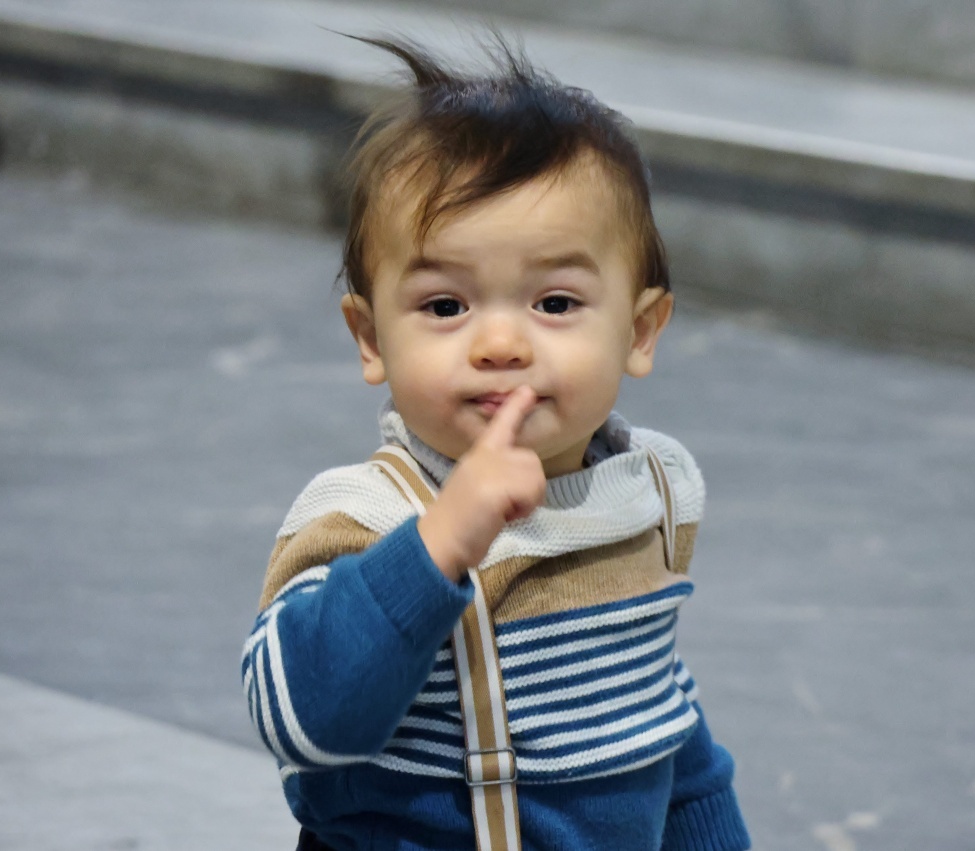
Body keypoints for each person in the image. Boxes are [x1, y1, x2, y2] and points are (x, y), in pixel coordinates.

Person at [241, 34, 751, 851]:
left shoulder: (650, 491)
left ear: (640, 331)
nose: (502, 344)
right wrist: (439, 545)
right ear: (371, 339)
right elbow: (301, 718)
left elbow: (662, 732)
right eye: (446, 306)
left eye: (555, 302)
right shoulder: (364, 517)